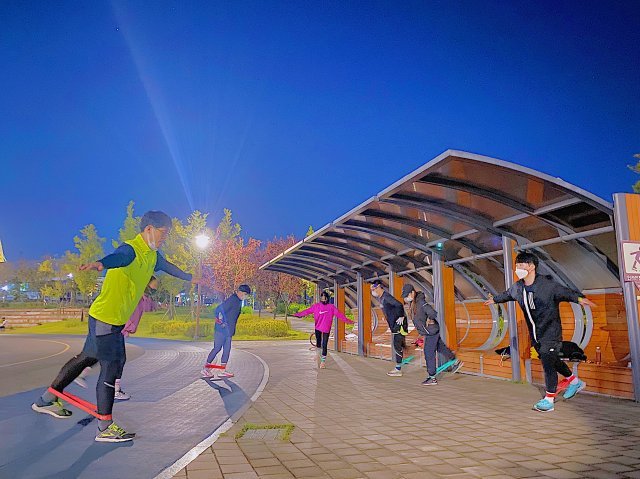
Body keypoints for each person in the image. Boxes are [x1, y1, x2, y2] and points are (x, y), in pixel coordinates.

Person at [32, 211, 196, 442]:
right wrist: (101, 263)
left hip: (110, 319)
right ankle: (104, 426)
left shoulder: (153, 256)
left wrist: (190, 278)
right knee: (112, 365)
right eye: (163, 233)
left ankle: (46, 399)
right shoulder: (131, 249)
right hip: (105, 319)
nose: (164, 238)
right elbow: (118, 257)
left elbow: (168, 266)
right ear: (149, 229)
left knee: (88, 358)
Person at [484, 252, 596, 412]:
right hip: (536, 335)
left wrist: (579, 299)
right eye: (517, 266)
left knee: (548, 363)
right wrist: (494, 300)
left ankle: (549, 399)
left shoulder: (547, 285)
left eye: (522, 265)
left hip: (551, 332)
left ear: (532, 266)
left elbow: (566, 292)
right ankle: (574, 381)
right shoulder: (518, 287)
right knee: (550, 359)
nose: (518, 269)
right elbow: (508, 294)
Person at [73, 276, 159, 400]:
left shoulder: (141, 296)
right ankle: (112, 389)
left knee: (106, 355)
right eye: (154, 284)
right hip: (116, 327)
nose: (156, 287)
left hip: (118, 328)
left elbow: (146, 308)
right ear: (147, 284)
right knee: (117, 358)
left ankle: (83, 373)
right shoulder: (134, 295)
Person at [402, 284, 462, 385]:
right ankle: (455, 360)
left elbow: (433, 313)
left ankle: (432, 377)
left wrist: (429, 320)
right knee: (440, 347)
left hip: (431, 331)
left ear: (412, 292)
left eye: (407, 295)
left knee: (428, 353)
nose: (406, 298)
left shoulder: (420, 302)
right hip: (429, 331)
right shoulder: (414, 303)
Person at [293, 291, 354, 369]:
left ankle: (323, 362)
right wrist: (298, 314)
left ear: (327, 298)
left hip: (326, 328)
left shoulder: (331, 307)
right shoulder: (316, 306)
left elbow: (340, 315)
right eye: (322, 297)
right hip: (318, 327)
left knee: (324, 345)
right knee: (318, 343)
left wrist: (349, 321)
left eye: (324, 297)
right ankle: (317, 354)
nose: (323, 298)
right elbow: (307, 311)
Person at [201, 284, 252, 379]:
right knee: (217, 348)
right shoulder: (232, 300)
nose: (246, 297)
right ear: (240, 292)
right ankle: (206, 369)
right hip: (221, 331)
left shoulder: (238, 301)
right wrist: (221, 323)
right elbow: (219, 310)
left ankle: (222, 370)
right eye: (245, 294)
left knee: (227, 350)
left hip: (229, 331)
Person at [370, 280, 407, 377]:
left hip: (399, 324)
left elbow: (399, 305)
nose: (372, 291)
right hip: (394, 325)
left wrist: (401, 316)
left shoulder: (386, 297)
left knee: (397, 345)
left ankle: (398, 369)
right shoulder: (381, 298)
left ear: (378, 287)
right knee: (398, 345)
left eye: (373, 288)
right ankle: (399, 366)